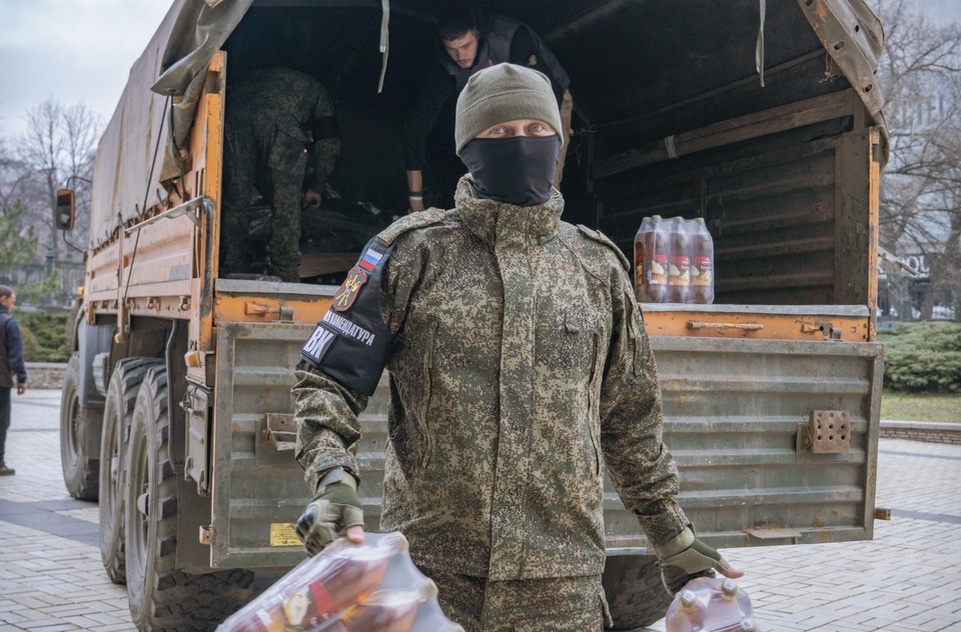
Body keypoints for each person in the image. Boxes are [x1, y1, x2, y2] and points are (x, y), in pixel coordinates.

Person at [292, 64, 741, 631]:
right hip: (433, 578)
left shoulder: (596, 269)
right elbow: (326, 378)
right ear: (467, 149)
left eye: (535, 127)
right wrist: (334, 477)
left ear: (557, 139)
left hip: (563, 582)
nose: (521, 144)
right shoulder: (411, 254)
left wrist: (673, 538)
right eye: (500, 134)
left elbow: (629, 421)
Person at [401, 6, 573, 212]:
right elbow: (417, 127)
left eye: (466, 46)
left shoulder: (512, 38)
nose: (460, 55)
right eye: (452, 49)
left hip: (546, 103)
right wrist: (416, 200)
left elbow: (549, 92)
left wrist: (527, 142)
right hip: (490, 116)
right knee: (488, 185)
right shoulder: (445, 66)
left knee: (539, 183)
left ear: (477, 34)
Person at [220, 67, 341, 283]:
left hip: (233, 120)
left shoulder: (255, 77)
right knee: (286, 204)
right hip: (280, 124)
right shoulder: (318, 91)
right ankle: (285, 272)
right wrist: (316, 187)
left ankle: (232, 267)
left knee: (235, 201)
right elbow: (328, 144)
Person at [0, 285, 27, 476]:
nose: (13, 305)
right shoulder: (9, 323)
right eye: (12, 301)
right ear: (3, 299)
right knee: (2, 422)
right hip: (1, 381)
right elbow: (15, 355)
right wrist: (21, 378)